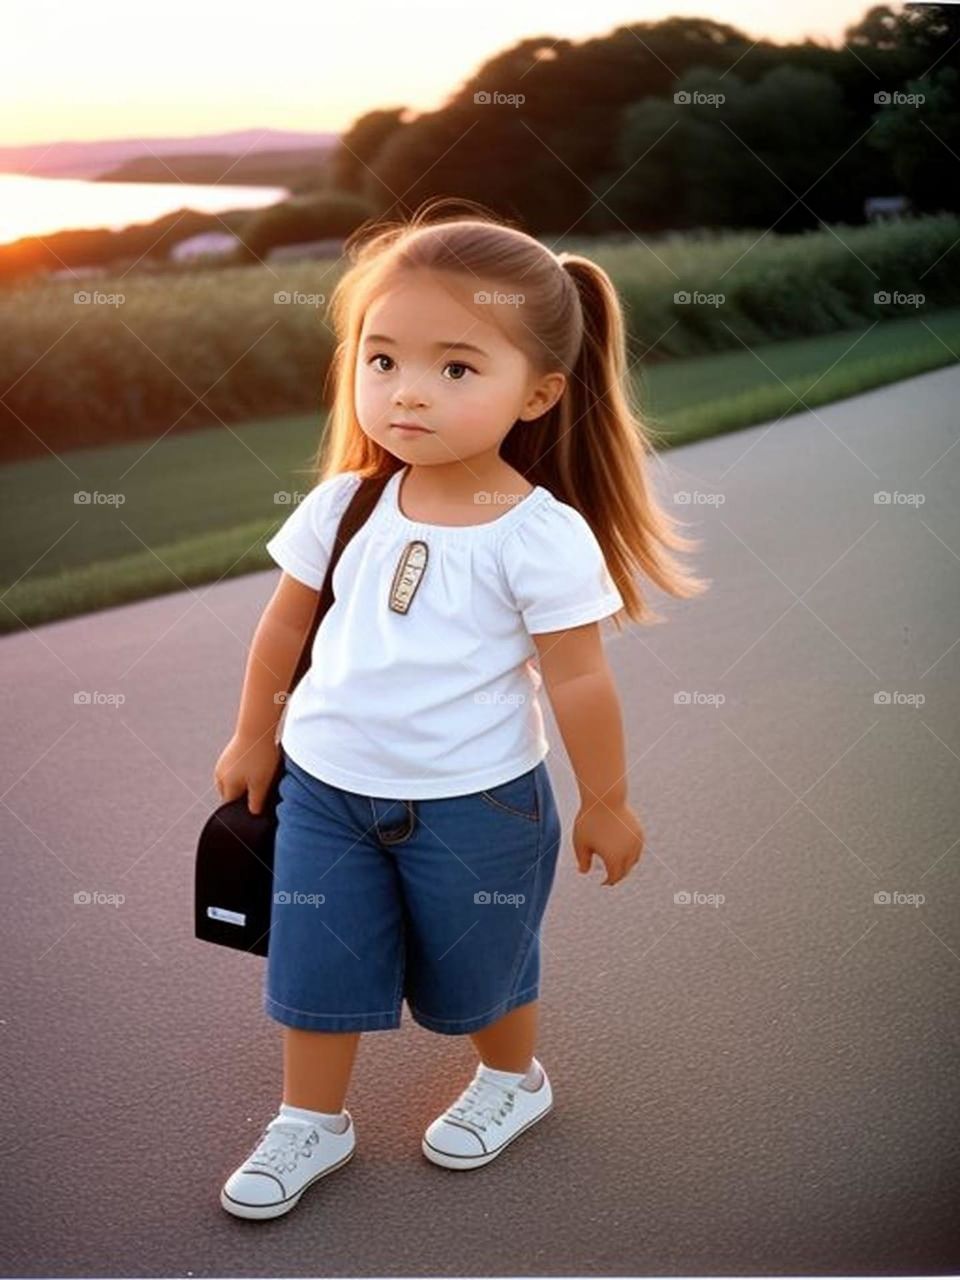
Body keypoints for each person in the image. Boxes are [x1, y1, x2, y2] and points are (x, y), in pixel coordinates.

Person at [213, 199, 708, 1220]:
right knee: (316, 956)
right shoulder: (344, 504)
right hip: (325, 791)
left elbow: (579, 679)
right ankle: (312, 1118)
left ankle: (512, 1080)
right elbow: (283, 628)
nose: (406, 391)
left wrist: (606, 799)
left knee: (479, 966)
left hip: (477, 806)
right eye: (382, 359)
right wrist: (256, 733)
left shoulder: (537, 534)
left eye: (455, 368)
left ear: (539, 393)